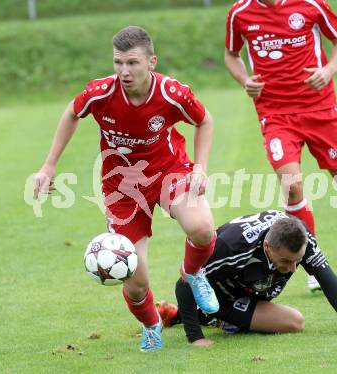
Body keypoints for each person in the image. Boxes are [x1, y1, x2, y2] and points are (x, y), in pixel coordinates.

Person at [33, 26, 219, 352]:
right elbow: (72, 112)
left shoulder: (172, 93)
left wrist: (200, 168)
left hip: (168, 171)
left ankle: (192, 272)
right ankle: (151, 324)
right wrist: (49, 165)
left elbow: (205, 121)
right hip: (123, 188)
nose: (124, 71)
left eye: (132, 63)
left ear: (151, 62)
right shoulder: (101, 93)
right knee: (135, 282)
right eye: (118, 62)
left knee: (202, 228)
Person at [223, 0, 337, 289]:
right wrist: (244, 79)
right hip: (276, 114)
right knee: (292, 185)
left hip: (321, 111)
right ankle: (312, 264)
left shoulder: (310, 4)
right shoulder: (240, 12)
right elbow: (231, 55)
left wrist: (329, 69)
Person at [161, 211, 337, 346]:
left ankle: (208, 318)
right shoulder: (232, 248)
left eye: (298, 260)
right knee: (294, 320)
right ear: (267, 247)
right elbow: (184, 283)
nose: (293, 268)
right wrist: (196, 338)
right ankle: (198, 314)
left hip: (249, 291)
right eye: (286, 261)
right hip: (218, 295)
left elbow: (325, 275)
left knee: (294, 323)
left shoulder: (301, 236)